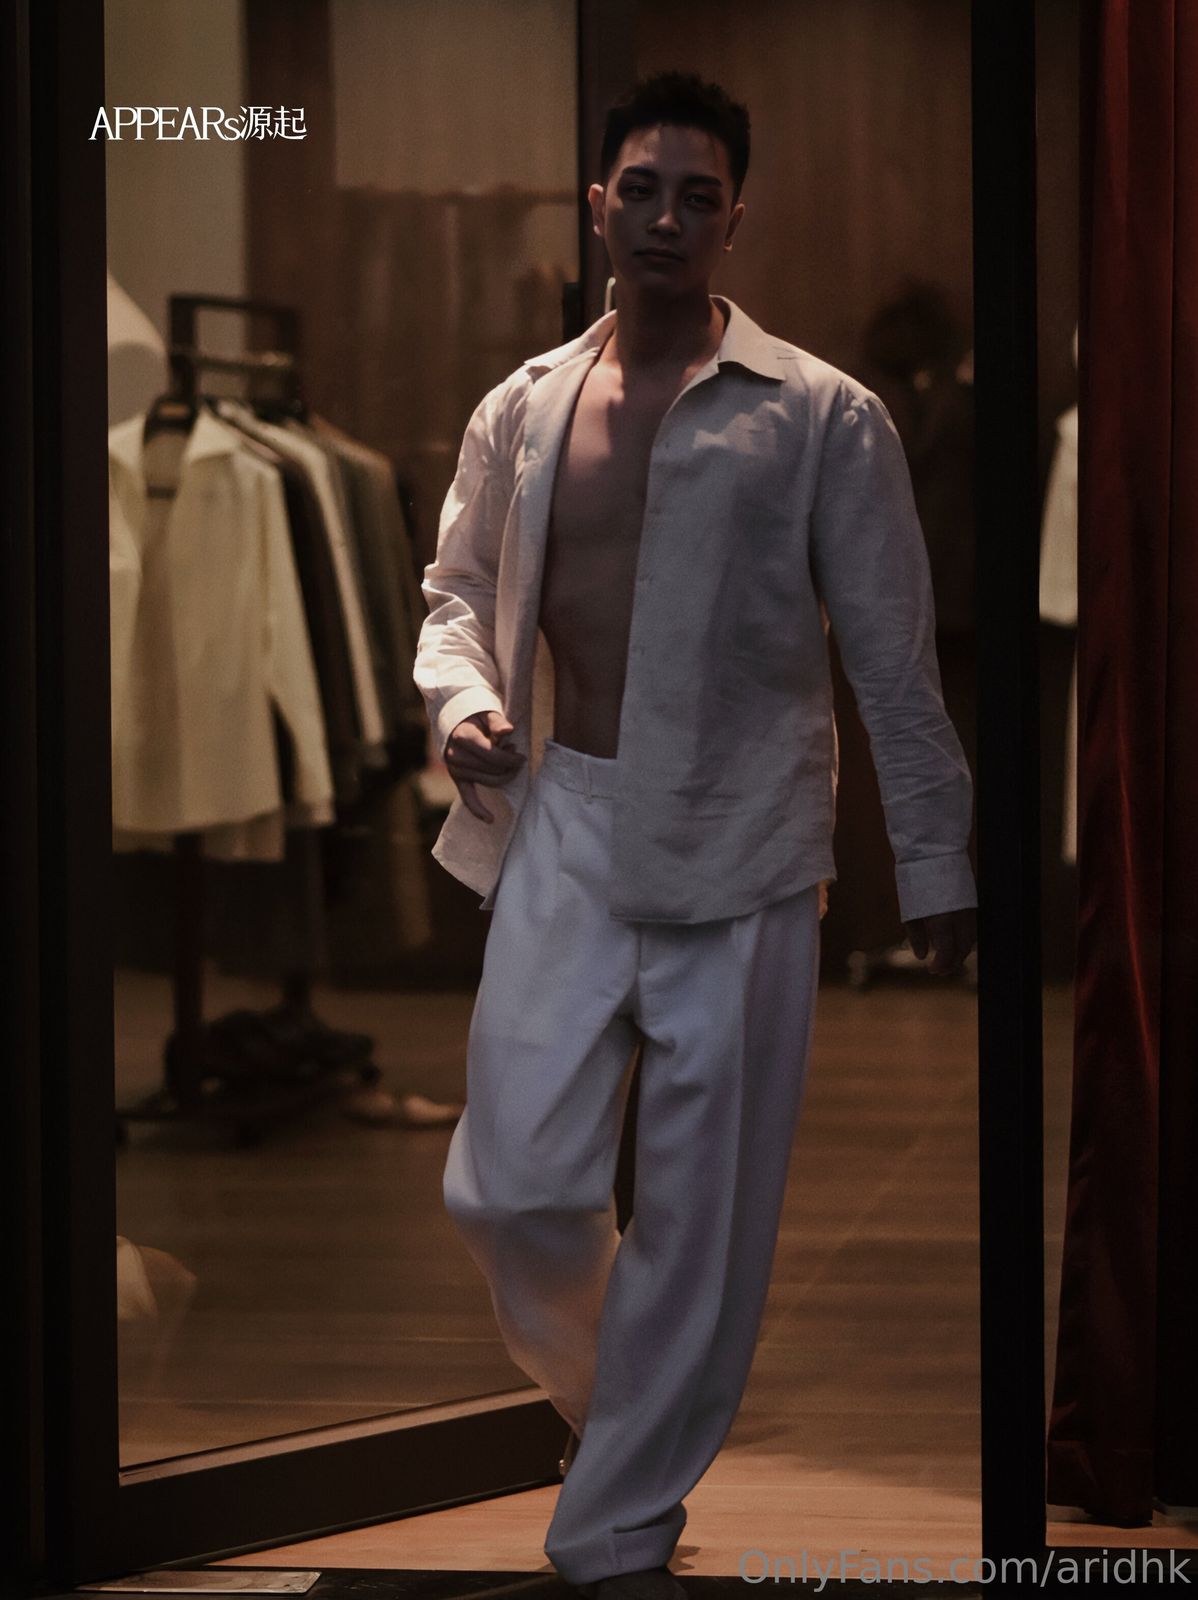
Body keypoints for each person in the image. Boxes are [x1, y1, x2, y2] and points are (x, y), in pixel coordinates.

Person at [414, 71, 978, 1599]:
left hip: (741, 844)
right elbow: (455, 592)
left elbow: (891, 660)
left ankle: (614, 1528)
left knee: (698, 1215)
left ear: (736, 219)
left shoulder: (821, 416)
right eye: (641, 188)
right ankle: (631, 1418)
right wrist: (463, 701)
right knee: (505, 1185)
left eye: (698, 196)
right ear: (597, 203)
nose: (666, 217)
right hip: (564, 819)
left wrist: (935, 862)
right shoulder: (524, 405)